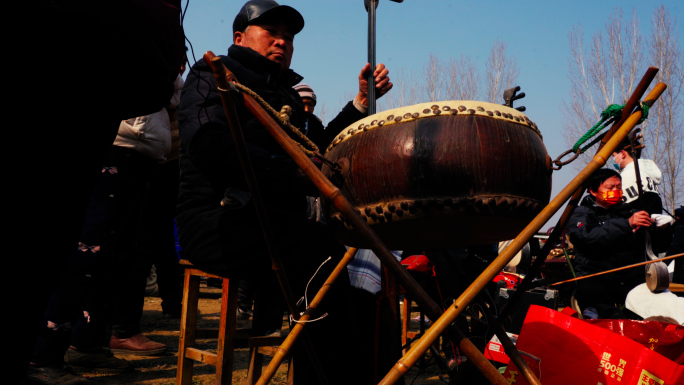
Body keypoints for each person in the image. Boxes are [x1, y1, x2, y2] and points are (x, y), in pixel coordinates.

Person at [176, 1, 392, 383]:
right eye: (271, 33)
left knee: (365, 264)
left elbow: (315, 149)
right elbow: (207, 144)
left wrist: (359, 103)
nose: (282, 42)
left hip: (282, 225)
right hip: (219, 220)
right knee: (319, 254)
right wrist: (292, 172)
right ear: (239, 38)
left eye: (288, 37)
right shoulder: (213, 75)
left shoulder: (287, 93)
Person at [18, 2, 185, 383]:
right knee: (85, 251)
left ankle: (88, 344)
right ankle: (44, 354)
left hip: (142, 157)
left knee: (115, 259)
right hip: (120, 147)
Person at [566, 168, 670, 319]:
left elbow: (660, 247)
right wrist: (627, 224)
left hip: (632, 281)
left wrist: (662, 229)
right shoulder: (581, 214)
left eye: (619, 187)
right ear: (593, 191)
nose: (616, 191)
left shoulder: (631, 212)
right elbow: (589, 238)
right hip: (597, 279)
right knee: (603, 311)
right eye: (610, 188)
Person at [612, 137, 663, 214]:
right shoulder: (647, 173)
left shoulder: (628, 175)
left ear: (622, 154)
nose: (614, 160)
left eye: (614, 156)